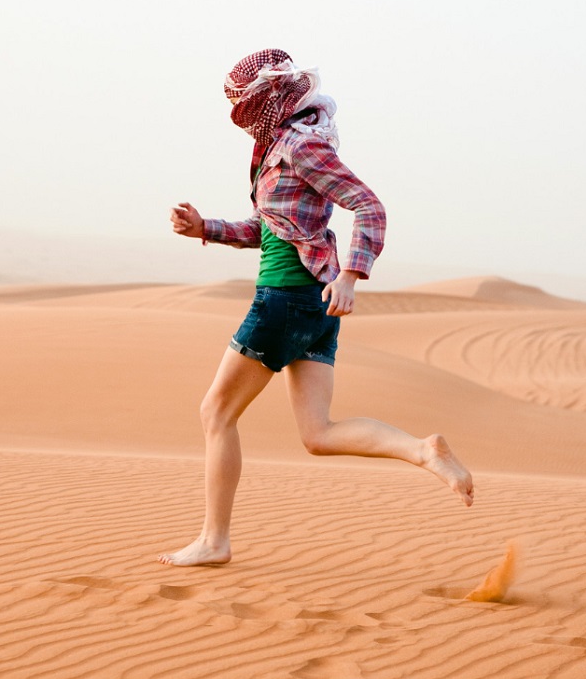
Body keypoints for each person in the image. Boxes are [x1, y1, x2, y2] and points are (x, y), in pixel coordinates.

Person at [157, 49, 474, 567]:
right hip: (311, 306)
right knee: (318, 434)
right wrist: (206, 229)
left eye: (249, 100)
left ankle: (215, 540)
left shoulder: (302, 147)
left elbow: (368, 205)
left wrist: (353, 274)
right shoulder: (283, 146)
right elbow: (273, 229)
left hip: (287, 298)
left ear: (272, 96)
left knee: (216, 411)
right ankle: (423, 450)